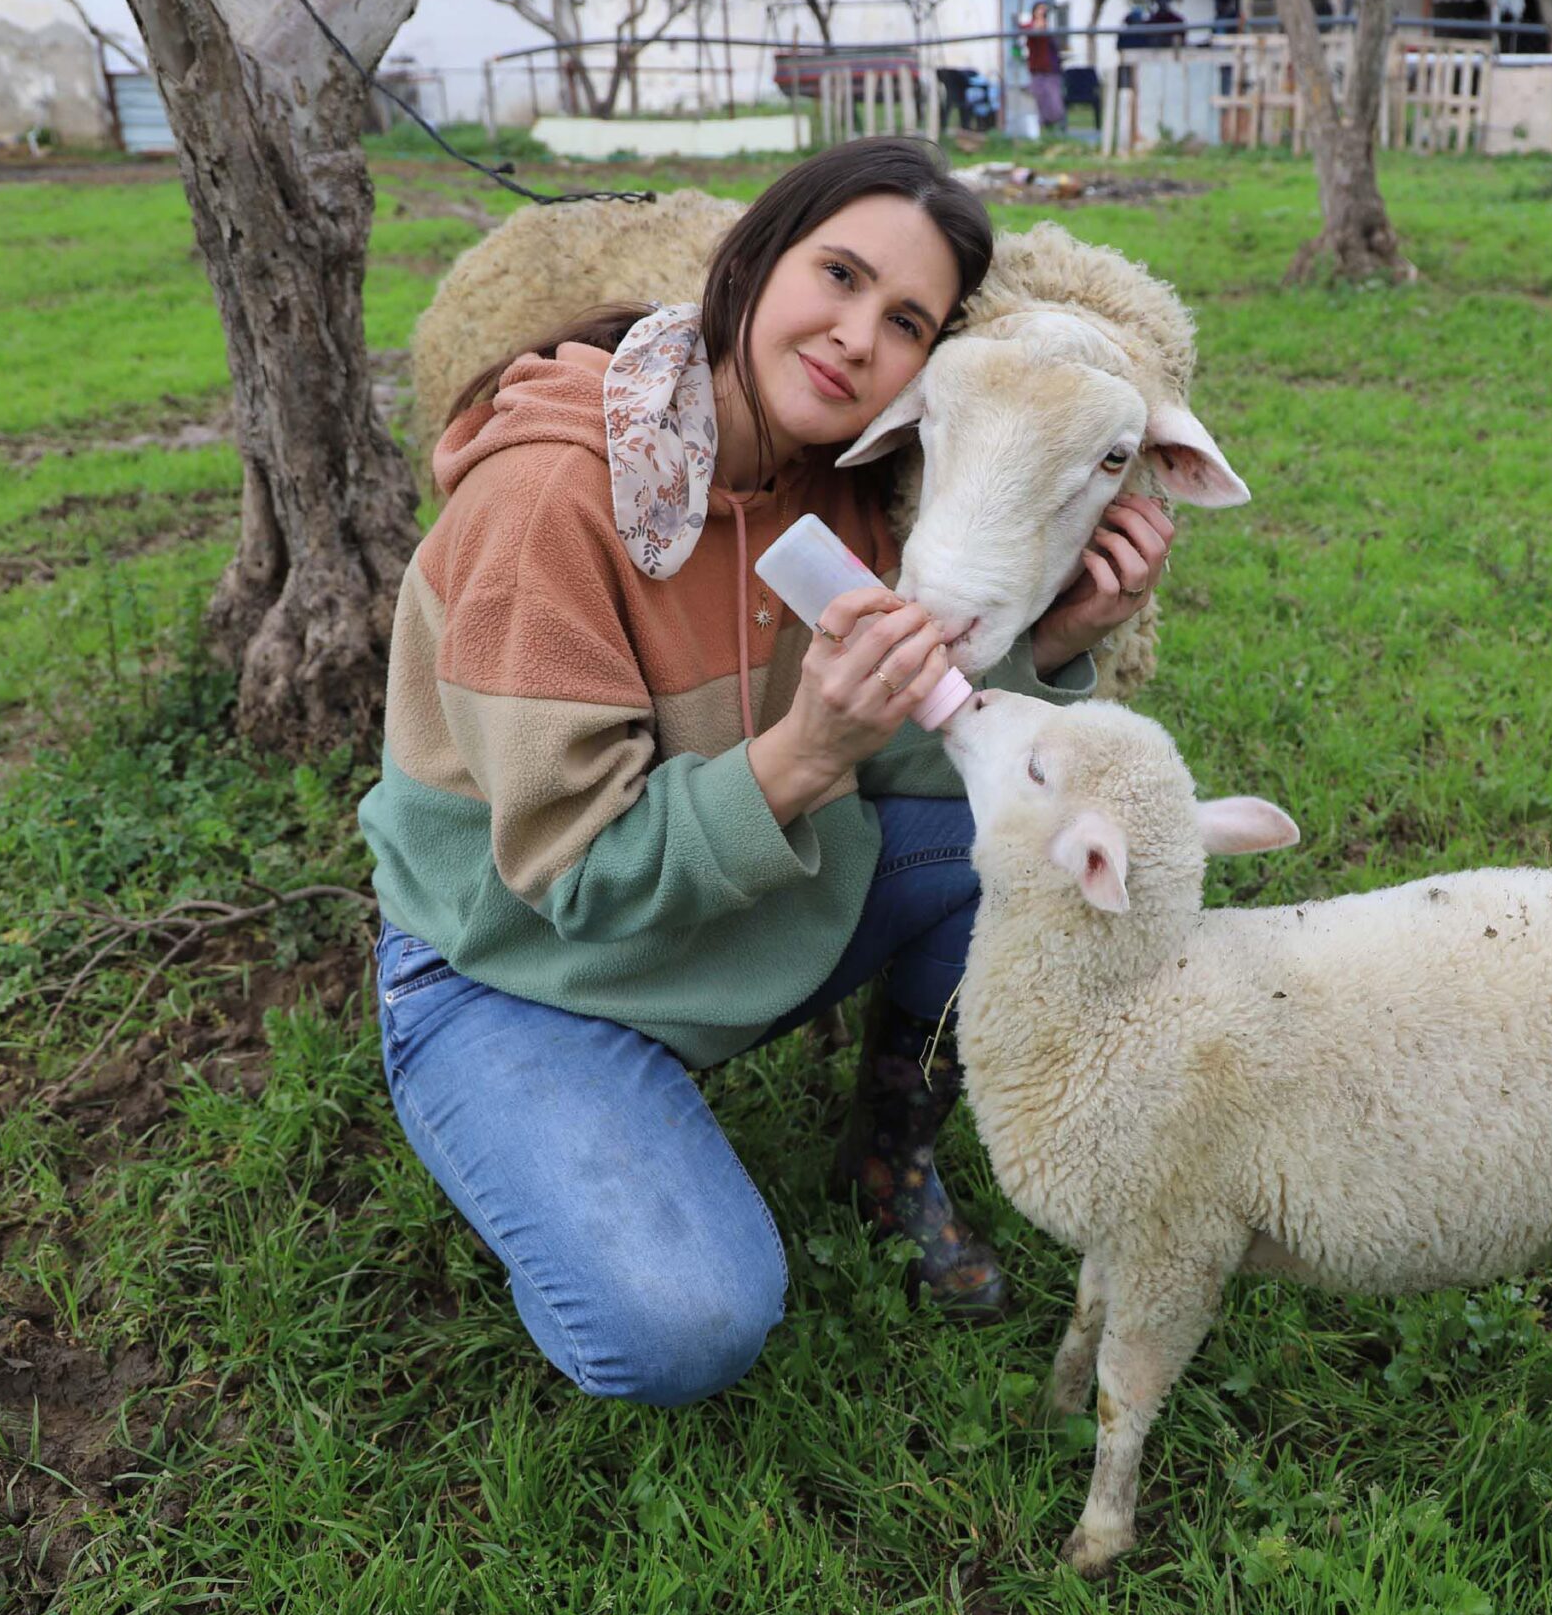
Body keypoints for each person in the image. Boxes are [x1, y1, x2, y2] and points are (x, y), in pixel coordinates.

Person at [360, 138, 1178, 1405]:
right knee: (686, 1327)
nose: (857, 335)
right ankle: (541, 1119)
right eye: (837, 275)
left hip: (707, 910)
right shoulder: (548, 503)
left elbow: (906, 753)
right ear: (748, 265)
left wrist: (1061, 643)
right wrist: (803, 751)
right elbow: (574, 874)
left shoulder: (839, 490)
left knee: (1035, 830)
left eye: (903, 318)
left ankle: (887, 1152)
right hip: (515, 964)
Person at [1022, 0, 1067, 130]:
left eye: (1044, 9)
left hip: (1051, 70)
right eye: (1040, 9)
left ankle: (1056, 128)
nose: (1043, 12)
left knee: (1054, 102)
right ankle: (1045, 130)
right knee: (1041, 101)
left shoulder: (1048, 28)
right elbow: (1026, 29)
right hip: (1037, 70)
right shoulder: (1030, 27)